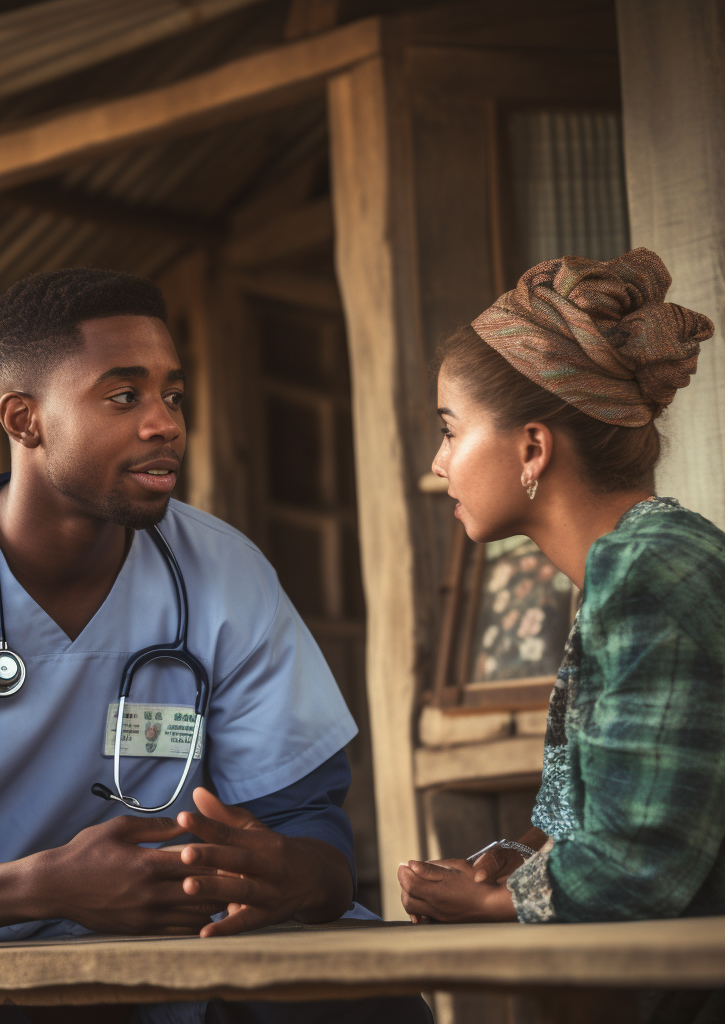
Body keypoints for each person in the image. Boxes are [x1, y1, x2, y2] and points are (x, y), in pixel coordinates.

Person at [0, 268, 431, 1024]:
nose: (164, 423)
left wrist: (283, 875)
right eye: (124, 396)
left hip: (145, 951)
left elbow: (312, 836)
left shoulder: (226, 576)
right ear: (25, 419)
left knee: (369, 1005)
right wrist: (49, 887)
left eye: (173, 394)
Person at [397, 248, 723, 1021]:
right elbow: (621, 823)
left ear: (533, 448)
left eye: (451, 430)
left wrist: (491, 902)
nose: (440, 463)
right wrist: (529, 859)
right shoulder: (631, 565)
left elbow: (640, 865)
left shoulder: (650, 573)